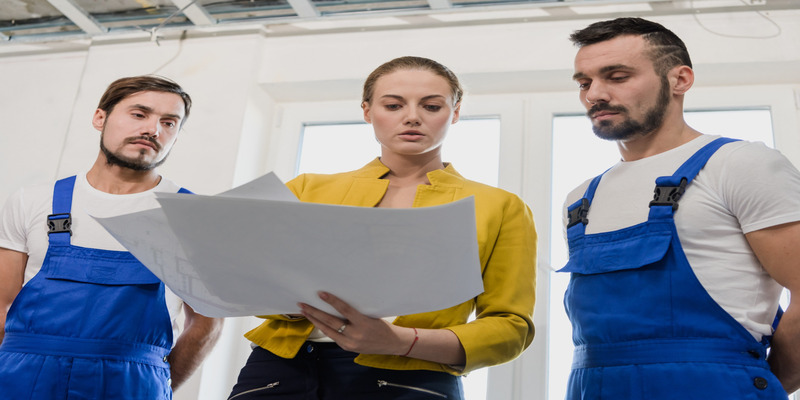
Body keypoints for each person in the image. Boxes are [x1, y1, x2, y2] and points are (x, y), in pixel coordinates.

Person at [228, 56, 537, 399]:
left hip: (411, 376)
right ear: (366, 111)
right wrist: (292, 302)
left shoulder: (500, 206)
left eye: (432, 106)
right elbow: (252, 282)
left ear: (455, 112)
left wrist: (402, 341)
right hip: (278, 372)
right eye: (393, 105)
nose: (412, 117)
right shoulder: (304, 189)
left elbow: (511, 328)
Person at [559, 17, 800, 399]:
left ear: (680, 80)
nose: (594, 95)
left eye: (617, 76)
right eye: (584, 83)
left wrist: (761, 384)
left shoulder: (739, 164)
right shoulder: (580, 199)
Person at [0, 75, 223, 399]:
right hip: (20, 379)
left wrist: (154, 384)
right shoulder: (33, 201)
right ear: (100, 117)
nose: (153, 129)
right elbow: (2, 304)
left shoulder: (192, 216)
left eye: (169, 122)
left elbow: (207, 325)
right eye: (139, 114)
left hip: (133, 383)